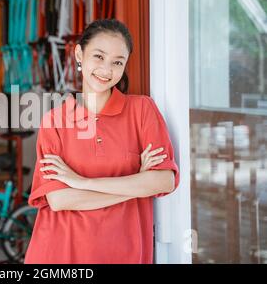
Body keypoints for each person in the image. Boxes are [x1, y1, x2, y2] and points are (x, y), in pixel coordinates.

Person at [24, 19, 180, 264]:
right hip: (61, 256)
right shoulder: (54, 121)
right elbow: (60, 199)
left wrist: (82, 182)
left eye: (117, 62)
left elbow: (164, 180)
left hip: (125, 254)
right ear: (79, 54)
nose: (107, 70)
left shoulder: (142, 110)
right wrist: (137, 184)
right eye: (98, 56)